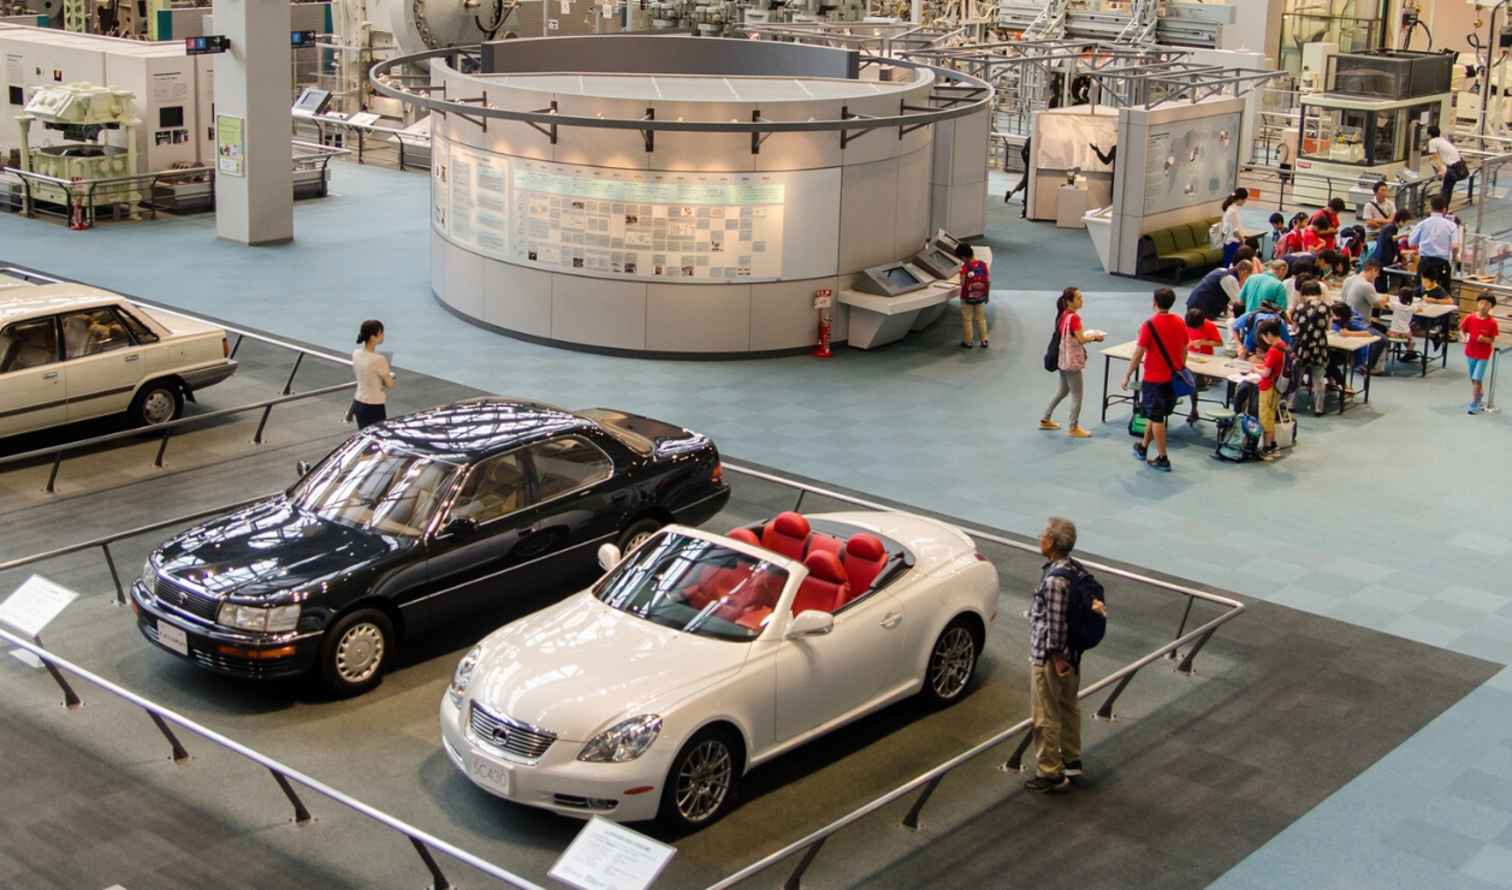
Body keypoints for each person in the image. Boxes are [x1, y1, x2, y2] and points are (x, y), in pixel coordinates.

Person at [1025, 517, 1103, 793]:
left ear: (1051, 543)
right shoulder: (1074, 569)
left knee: (1045, 714)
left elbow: (1055, 624)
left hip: (1051, 658)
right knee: (1069, 707)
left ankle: (1050, 772)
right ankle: (1072, 759)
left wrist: (1057, 658)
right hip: (1074, 654)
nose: (1039, 538)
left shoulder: (1055, 581)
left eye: (1043, 534)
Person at [1122, 287, 1188, 473]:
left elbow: (1138, 353)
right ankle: (1143, 447)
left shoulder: (1149, 325)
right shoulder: (1179, 322)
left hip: (1154, 379)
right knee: (1155, 414)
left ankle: (1162, 457)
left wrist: (1127, 374)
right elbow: (1185, 348)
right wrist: (1180, 367)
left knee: (1157, 417)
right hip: (1172, 378)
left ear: (1154, 302)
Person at [1041, 288, 1104, 438]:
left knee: (1063, 391)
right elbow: (1081, 339)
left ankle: (1045, 418)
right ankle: (1073, 427)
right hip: (1072, 362)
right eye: (1079, 298)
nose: (1082, 300)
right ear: (1070, 301)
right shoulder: (1074, 318)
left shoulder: (1063, 315)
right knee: (1077, 394)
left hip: (1062, 359)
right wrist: (1095, 337)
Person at [1290, 280, 1335, 416]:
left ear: (1303, 293)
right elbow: (1328, 327)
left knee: (1297, 377)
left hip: (1302, 346)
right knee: (1319, 378)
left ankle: (1291, 403)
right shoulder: (1326, 307)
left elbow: (1294, 327)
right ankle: (1318, 408)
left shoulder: (1299, 307)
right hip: (1319, 346)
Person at [351, 319, 395, 430]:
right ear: (373, 337)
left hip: (358, 401)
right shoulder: (379, 359)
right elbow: (390, 385)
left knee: (363, 435)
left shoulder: (356, 353)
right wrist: (389, 377)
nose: (383, 335)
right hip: (373, 405)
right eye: (381, 333)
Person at [1185, 249, 1253, 321]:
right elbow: (1238, 302)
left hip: (1194, 303)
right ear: (1244, 272)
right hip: (1200, 309)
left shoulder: (1222, 270)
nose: (1246, 280)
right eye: (1247, 276)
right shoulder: (1230, 278)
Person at [1461, 294, 1501, 414]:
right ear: (1478, 303)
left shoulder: (1492, 323)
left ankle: (1474, 404)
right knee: (1473, 379)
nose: (1483, 306)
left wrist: (1484, 339)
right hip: (1470, 352)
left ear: (1491, 307)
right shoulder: (1470, 317)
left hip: (1483, 355)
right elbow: (1462, 330)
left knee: (1477, 379)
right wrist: (1463, 338)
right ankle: (1479, 394)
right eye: (1482, 303)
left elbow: (1492, 340)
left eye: (1487, 304)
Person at [1254, 318, 1287, 461]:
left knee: (1265, 418)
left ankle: (1266, 448)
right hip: (1277, 386)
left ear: (1268, 334)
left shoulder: (1273, 350)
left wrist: (1255, 369)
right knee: (1272, 416)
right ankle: (1273, 445)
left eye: (1263, 337)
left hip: (1268, 386)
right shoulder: (1283, 345)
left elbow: (1266, 373)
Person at [1183, 308, 1224, 423]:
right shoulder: (1186, 324)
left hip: (1205, 359)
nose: (1193, 329)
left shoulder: (1210, 326)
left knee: (1194, 382)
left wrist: (1202, 342)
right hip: (1189, 356)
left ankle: (1193, 409)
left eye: (1196, 328)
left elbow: (1219, 343)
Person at [1409, 195, 1458, 288]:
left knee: (1422, 291)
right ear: (1444, 209)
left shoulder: (1422, 224)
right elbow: (1455, 247)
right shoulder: (1451, 226)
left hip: (1425, 262)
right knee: (1442, 294)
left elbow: (1411, 243)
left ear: (1431, 208)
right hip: (1442, 263)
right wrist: (1454, 257)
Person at [1330, 301, 1386, 375]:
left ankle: (1368, 366)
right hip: (1373, 334)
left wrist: (1349, 333)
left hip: (1378, 339)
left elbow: (1368, 333)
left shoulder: (1352, 322)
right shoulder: (1346, 316)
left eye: (1332, 314)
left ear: (1339, 316)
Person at [956, 243, 990, 348]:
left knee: (967, 319)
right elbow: (987, 281)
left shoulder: (964, 268)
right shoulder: (982, 264)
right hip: (980, 297)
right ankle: (984, 340)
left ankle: (968, 341)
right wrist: (987, 295)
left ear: (963, 257)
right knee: (981, 318)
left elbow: (962, 283)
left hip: (967, 297)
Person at [1426, 125, 1469, 206]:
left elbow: (1435, 157)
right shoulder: (1443, 140)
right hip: (1460, 166)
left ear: (1429, 134)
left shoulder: (1432, 141)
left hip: (1453, 168)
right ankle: (1444, 209)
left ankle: (1441, 210)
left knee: (1445, 190)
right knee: (1448, 189)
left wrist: (1441, 170)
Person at [1373, 209, 1412, 292]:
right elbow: (1392, 238)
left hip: (1386, 259)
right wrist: (1404, 234)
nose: (1405, 224)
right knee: (1380, 284)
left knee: (1383, 282)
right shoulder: (1389, 227)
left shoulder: (1393, 228)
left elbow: (1394, 245)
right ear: (1401, 220)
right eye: (1405, 222)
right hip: (1381, 259)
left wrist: (1400, 257)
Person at [1219, 187, 1249, 266]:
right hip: (1232, 243)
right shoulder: (1232, 211)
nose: (1245, 202)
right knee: (1230, 266)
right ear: (1240, 199)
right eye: (1245, 200)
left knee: (1231, 265)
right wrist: (1243, 241)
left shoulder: (1234, 209)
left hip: (1232, 242)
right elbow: (1235, 231)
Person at [1006, 137, 1031, 213]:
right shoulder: (1031, 138)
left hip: (1032, 163)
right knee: (1024, 182)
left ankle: (1013, 194)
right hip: (1030, 163)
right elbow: (1023, 151)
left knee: (1025, 182)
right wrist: (1027, 161)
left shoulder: (1036, 138)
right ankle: (1010, 194)